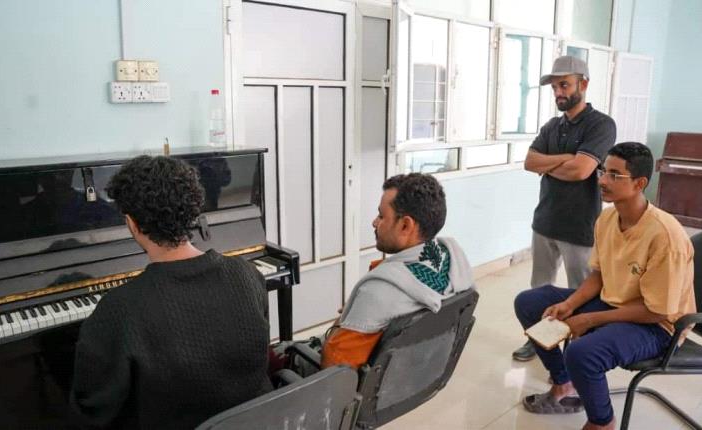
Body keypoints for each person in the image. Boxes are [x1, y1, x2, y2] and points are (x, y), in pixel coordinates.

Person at [69, 156, 272, 429]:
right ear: (193, 211)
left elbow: (92, 411)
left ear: (132, 224)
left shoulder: (119, 309)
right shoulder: (247, 273)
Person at [514, 142, 696, 430]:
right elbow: (599, 276)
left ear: (639, 183)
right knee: (529, 302)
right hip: (614, 302)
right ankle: (564, 382)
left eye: (614, 175)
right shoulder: (607, 218)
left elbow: (658, 311)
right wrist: (569, 305)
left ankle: (602, 423)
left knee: (582, 352)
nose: (601, 180)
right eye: (603, 171)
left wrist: (589, 319)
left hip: (658, 326)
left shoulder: (665, 236)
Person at [514, 55, 617, 361]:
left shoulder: (601, 125)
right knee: (538, 290)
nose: (558, 92)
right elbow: (529, 162)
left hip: (579, 226)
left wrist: (554, 164)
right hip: (545, 222)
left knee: (579, 292)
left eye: (564, 85)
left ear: (583, 84)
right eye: (555, 87)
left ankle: (578, 348)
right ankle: (539, 340)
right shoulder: (552, 126)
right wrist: (566, 158)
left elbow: (581, 171)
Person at [320, 173, 475, 369]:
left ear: (405, 225)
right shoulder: (454, 261)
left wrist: (346, 320)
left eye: (381, 216)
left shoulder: (377, 292)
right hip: (415, 373)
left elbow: (334, 369)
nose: (374, 222)